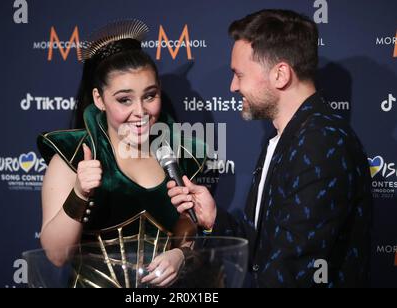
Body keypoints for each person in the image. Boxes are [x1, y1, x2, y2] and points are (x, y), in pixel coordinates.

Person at [167, 9, 372, 288]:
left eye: (239, 74)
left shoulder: (321, 143)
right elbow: (271, 247)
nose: (232, 86)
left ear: (280, 74)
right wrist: (215, 218)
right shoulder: (288, 137)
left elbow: (290, 270)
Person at [37, 19, 205, 288]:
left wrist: (180, 254)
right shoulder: (72, 156)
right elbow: (56, 255)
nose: (140, 111)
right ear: (99, 99)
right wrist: (80, 192)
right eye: (124, 99)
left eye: (150, 96)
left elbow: (187, 227)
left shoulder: (175, 154)